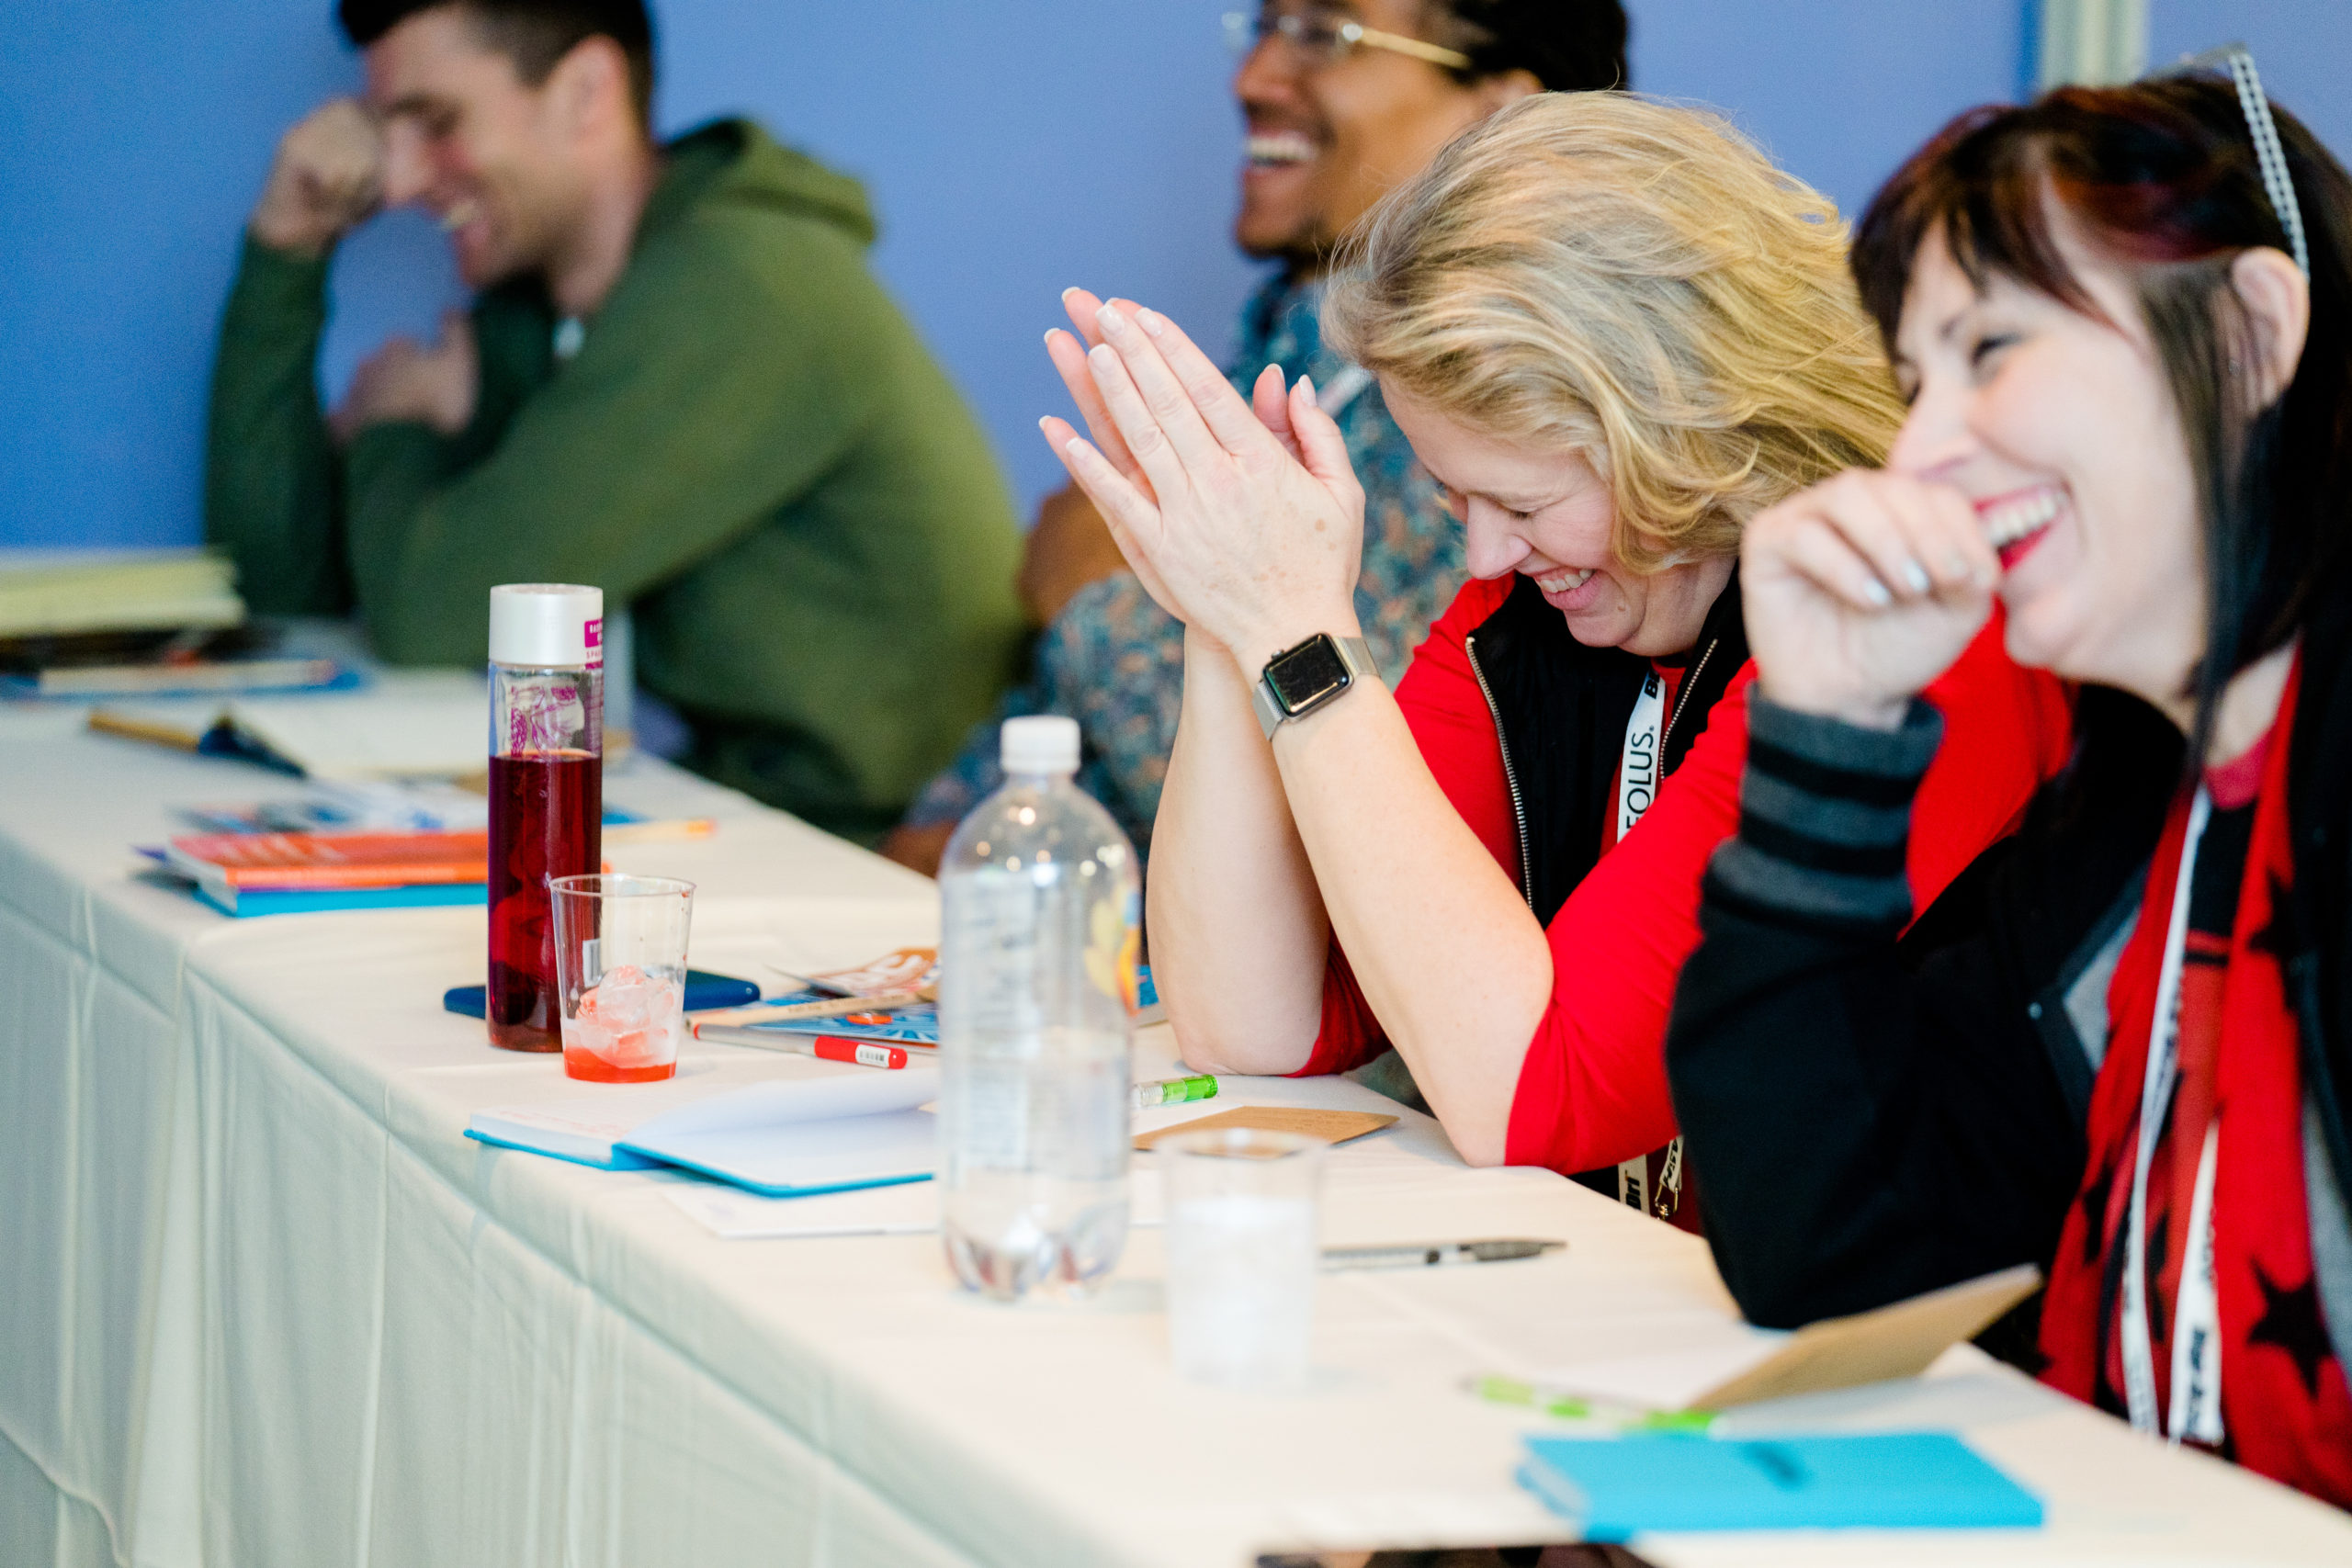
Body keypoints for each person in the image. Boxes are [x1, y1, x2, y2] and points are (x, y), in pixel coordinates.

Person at [1042, 91, 2075, 1214]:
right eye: (1455, 497)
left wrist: (1296, 634)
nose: (1486, 551)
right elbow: (1258, 1022)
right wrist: (1226, 607)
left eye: (1525, 503)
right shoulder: (1533, 608)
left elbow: (1536, 1092)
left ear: (1685, 430)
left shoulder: (1913, 627)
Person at [1664, 68, 2352, 1503]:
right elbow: (1836, 1263)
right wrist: (1828, 732)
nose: (1920, 452)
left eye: (1993, 347)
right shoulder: (2124, 830)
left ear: (2250, 332)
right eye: (1917, 385)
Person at [207, 0, 1025, 843]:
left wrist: (398, 422)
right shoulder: (543, 316)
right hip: (731, 820)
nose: (403, 182)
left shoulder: (744, 285)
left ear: (586, 91)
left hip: (885, 856)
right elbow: (288, 596)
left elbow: (433, 617)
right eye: (388, 135)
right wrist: (288, 247)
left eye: (440, 122)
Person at [880, 0, 1631, 872]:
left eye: (1325, 34)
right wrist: (965, 831)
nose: (1253, 77)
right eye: (1266, 28)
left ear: (1497, 112)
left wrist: (1088, 594)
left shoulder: (1502, 418)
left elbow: (1349, 832)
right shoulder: (1288, 340)